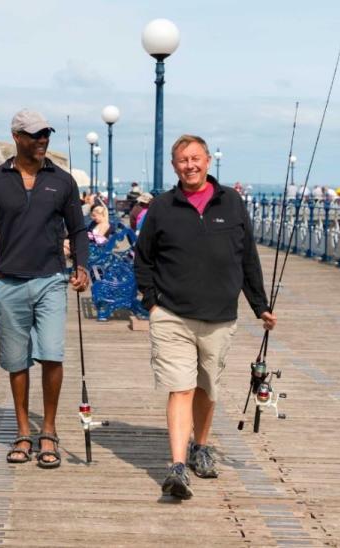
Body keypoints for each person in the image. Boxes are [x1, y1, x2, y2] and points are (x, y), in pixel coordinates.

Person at [134, 134, 276, 500]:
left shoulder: (232, 202)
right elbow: (143, 259)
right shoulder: (162, 208)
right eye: (183, 160)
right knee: (180, 387)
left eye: (196, 158)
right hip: (172, 315)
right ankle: (178, 465)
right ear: (174, 166)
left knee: (206, 386)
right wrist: (152, 302)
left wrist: (260, 305)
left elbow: (248, 259)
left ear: (208, 161)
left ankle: (201, 445)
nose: (190, 165)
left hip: (219, 315)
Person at [0, 109, 90, 469]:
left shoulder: (63, 181)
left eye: (46, 134)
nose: (43, 140)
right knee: (17, 360)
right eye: (35, 134)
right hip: (6, 283)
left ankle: (49, 431)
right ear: (17, 137)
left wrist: (81, 267)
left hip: (52, 280)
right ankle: (23, 430)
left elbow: (78, 230)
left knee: (52, 354)